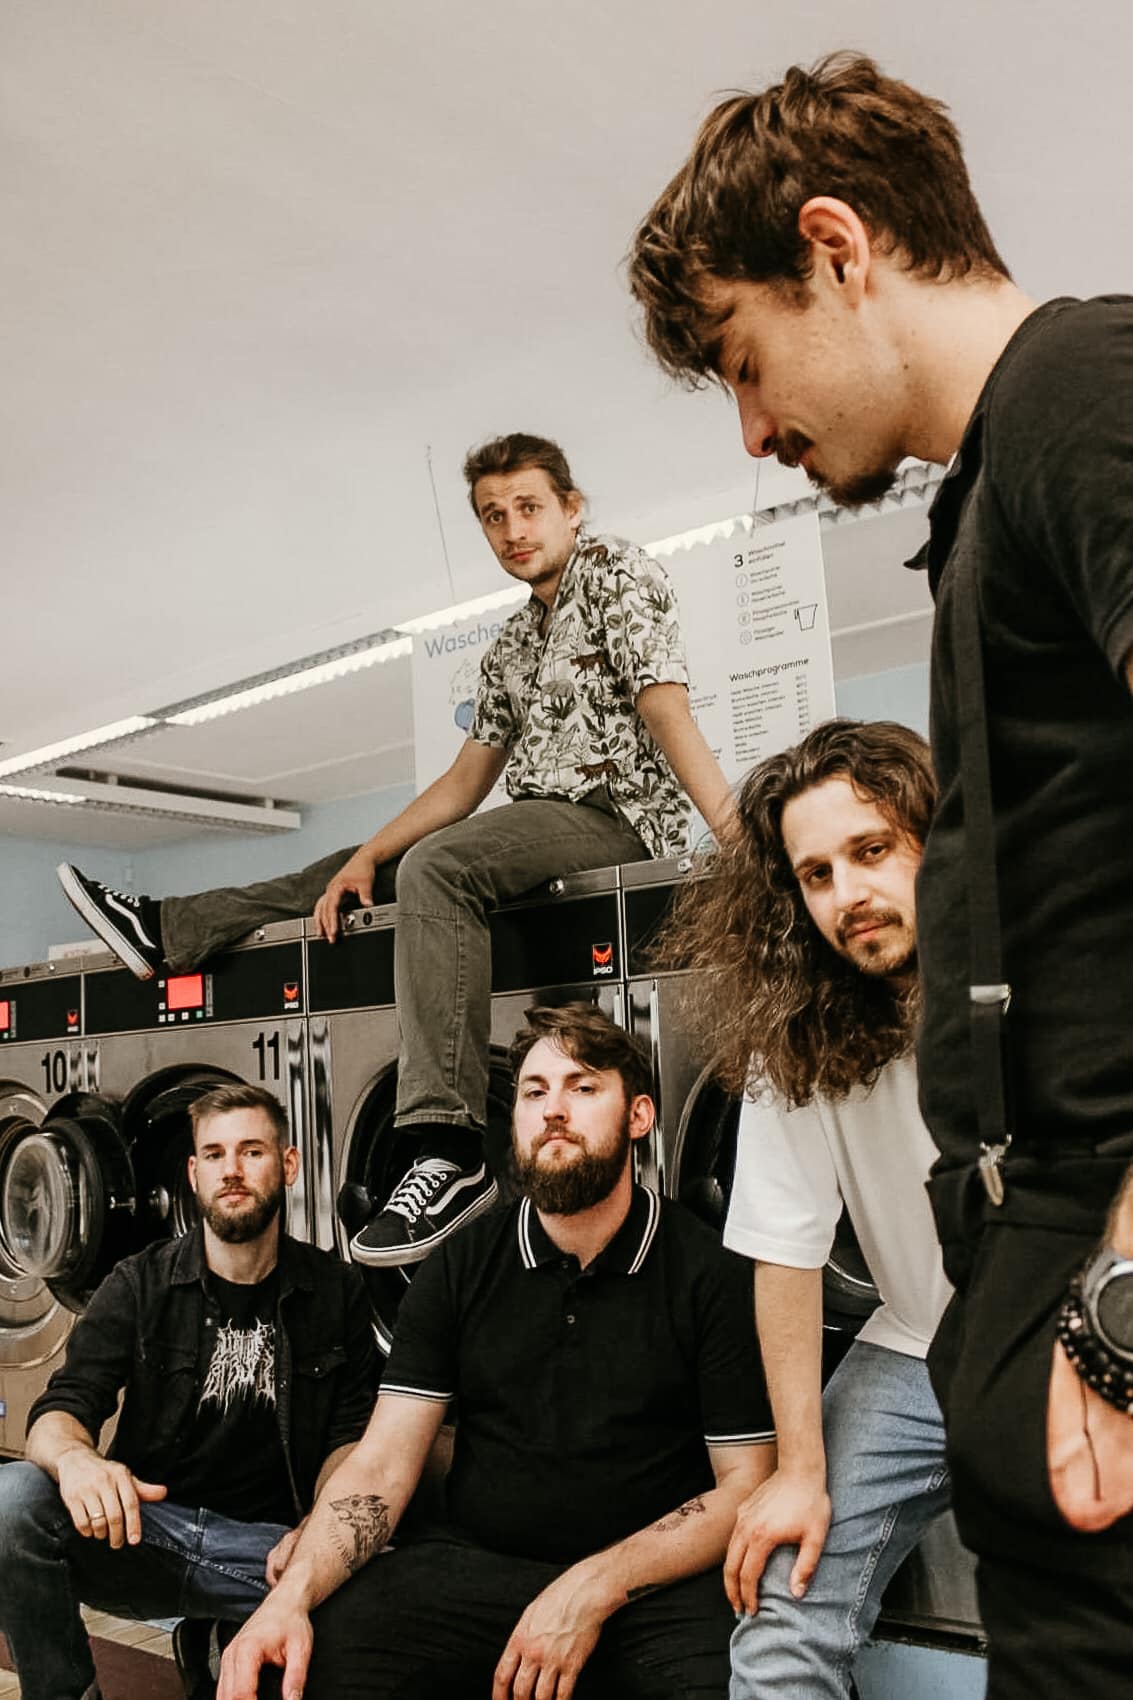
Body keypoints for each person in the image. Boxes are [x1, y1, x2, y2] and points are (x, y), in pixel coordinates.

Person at [627, 50, 1133, 1696]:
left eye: (742, 362)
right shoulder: (984, 500)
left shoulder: (1083, 393)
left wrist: (1120, 1283)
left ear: (838, 249)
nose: (756, 427)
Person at [58, 432, 734, 1272]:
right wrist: (365, 855)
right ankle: (167, 928)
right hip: (533, 823)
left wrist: (739, 840)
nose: (512, 528)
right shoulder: (515, 644)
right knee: (367, 865)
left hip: (614, 820)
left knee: (437, 866)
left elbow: (662, 705)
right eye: (493, 516)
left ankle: (445, 1149)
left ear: (571, 507)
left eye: (528, 507)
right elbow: (463, 782)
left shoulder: (617, 574)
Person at [214, 1003, 775, 1700]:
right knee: (303, 1666)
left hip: (651, 1586)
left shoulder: (706, 1272)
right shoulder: (461, 1265)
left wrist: (593, 1586)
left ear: (638, 1117)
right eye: (535, 1092)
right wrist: (290, 1597)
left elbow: (745, 1486)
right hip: (479, 1570)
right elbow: (384, 1462)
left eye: (582, 1087)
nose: (553, 1111)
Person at [661, 718, 952, 1698]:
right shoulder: (796, 1028)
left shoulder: (1040, 977)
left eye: (869, 851)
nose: (845, 895)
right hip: (914, 1345)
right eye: (814, 873)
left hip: (1079, 1338)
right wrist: (797, 1466)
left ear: (938, 837)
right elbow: (781, 1251)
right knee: (783, 1598)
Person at [0, 1083, 379, 1700]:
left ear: (288, 1165)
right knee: (12, 1499)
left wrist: (320, 1532)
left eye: (252, 1151)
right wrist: (78, 1462)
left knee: (380, 1576)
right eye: (214, 1154)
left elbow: (350, 1442)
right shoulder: (138, 1283)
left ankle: (215, 1639)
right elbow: (61, 1409)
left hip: (268, 1550)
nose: (231, 1170)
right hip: (144, 1535)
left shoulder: (336, 1290)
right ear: (192, 1172)